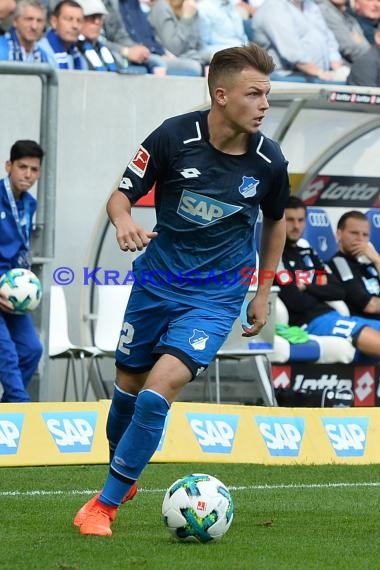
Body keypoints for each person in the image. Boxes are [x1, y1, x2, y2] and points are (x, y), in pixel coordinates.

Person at [74, 42, 290, 537]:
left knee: (157, 393)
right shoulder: (174, 137)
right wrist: (124, 219)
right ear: (220, 95)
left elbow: (275, 223)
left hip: (217, 295)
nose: (264, 105)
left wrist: (262, 292)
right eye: (254, 94)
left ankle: (103, 507)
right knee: (127, 390)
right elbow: (120, 194)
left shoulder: (268, 160)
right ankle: (121, 472)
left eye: (267, 95)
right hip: (157, 283)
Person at [278, 196, 380, 361]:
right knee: (365, 332)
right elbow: (296, 300)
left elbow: (338, 291)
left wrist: (307, 285)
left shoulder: (307, 252)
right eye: (290, 220)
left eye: (300, 220)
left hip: (333, 315)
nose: (296, 226)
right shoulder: (274, 256)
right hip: (308, 322)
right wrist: (320, 287)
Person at [0, 140, 44, 403]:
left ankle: (6, 414)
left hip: (12, 289)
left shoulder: (29, 204)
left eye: (34, 169)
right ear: (9, 166)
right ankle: (19, 408)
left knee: (31, 349)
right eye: (22, 167)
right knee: (7, 352)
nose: (28, 175)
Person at [252, 0, 350, 83]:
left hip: (316, 75)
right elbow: (293, 52)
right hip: (285, 77)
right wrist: (320, 73)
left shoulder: (310, 4)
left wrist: (337, 68)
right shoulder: (274, 7)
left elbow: (328, 38)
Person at [328, 210, 380, 317]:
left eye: (365, 235)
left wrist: (377, 261)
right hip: (366, 324)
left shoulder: (371, 261)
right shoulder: (339, 263)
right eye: (354, 233)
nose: (360, 239)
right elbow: (369, 306)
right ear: (339, 234)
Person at [77, 0, 146, 73]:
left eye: (100, 17)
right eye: (92, 17)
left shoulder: (103, 49)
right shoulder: (76, 51)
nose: (97, 22)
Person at [148, 0, 210, 75]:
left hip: (192, 58)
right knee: (195, 66)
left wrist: (209, 56)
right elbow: (174, 49)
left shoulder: (191, 7)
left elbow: (199, 46)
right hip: (169, 58)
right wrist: (187, 18)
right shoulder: (161, 7)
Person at [38, 0, 85, 69]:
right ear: (54, 21)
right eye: (69, 19)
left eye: (79, 20)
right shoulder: (40, 52)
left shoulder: (79, 58)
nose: (75, 26)